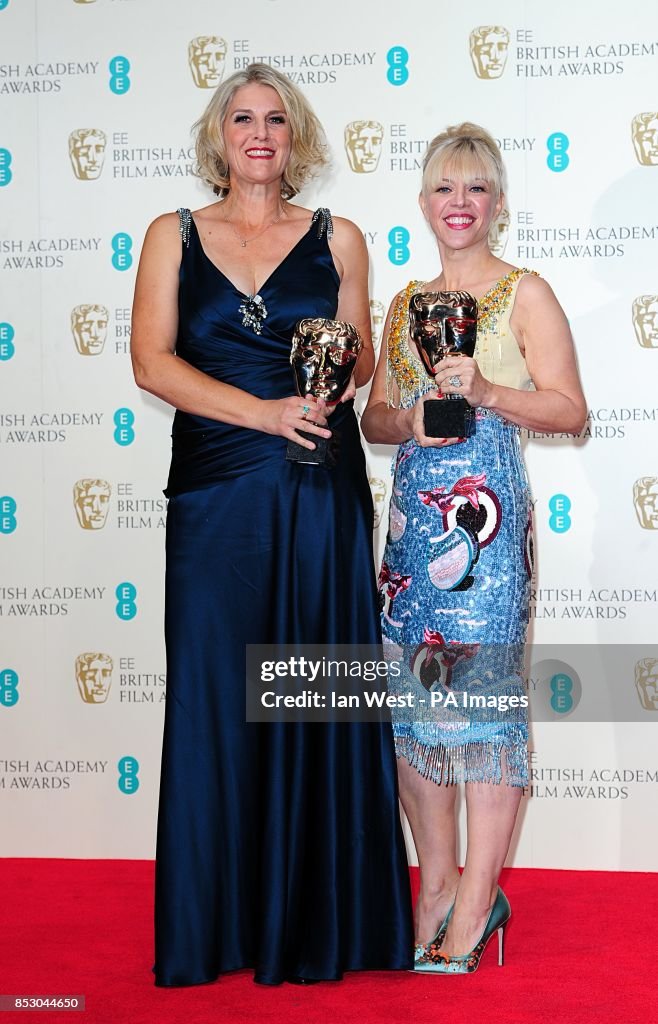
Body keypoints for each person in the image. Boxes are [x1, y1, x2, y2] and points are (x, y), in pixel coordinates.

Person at [130, 62, 413, 986]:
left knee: (313, 696)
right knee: (218, 701)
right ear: (219, 135)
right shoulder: (171, 234)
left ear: (299, 139)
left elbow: (359, 359)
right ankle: (218, 929)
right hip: (215, 495)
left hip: (315, 490)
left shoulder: (343, 238)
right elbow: (150, 363)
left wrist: (348, 360)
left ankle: (318, 923)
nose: (260, 135)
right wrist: (259, 412)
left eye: (277, 122)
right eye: (243, 119)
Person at [361, 122, 586, 974]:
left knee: (483, 718)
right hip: (412, 535)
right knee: (414, 717)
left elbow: (570, 410)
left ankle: (481, 896)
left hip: (486, 533)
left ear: (496, 203)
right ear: (423, 204)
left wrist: (489, 391)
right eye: (445, 189)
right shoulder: (403, 302)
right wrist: (409, 417)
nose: (459, 204)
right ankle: (437, 885)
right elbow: (375, 417)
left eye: (476, 188)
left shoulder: (526, 292)